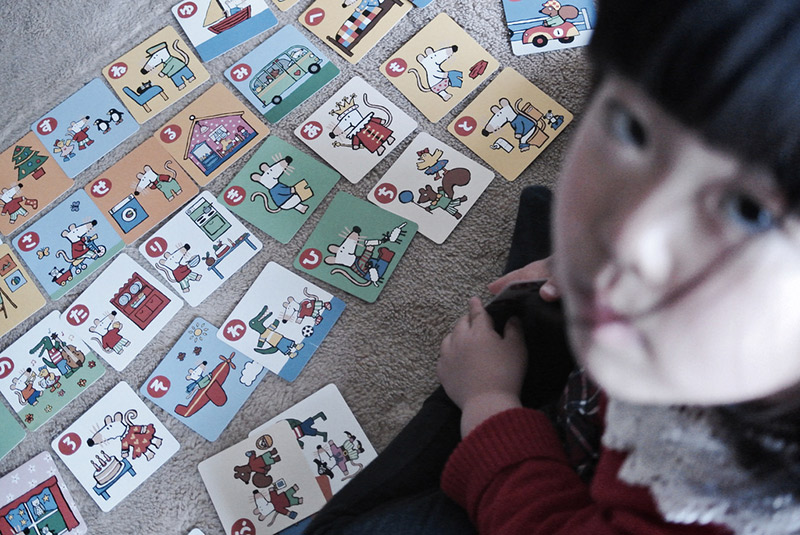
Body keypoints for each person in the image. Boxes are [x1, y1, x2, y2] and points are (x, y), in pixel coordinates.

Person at [307, 1, 800, 533]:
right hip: (611, 393)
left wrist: (488, 403)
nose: (626, 237)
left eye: (748, 211)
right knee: (535, 252)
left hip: (573, 495)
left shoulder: (729, 511)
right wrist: (569, 263)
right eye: (632, 128)